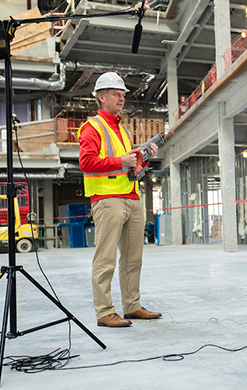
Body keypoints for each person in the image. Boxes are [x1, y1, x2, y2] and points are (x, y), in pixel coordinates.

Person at [78, 72, 161, 327]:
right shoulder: (92, 127)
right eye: (116, 94)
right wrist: (120, 161)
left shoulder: (122, 131)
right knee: (106, 259)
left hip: (132, 198)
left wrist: (143, 157)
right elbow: (86, 163)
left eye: (123, 94)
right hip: (107, 199)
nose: (121, 98)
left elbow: (129, 166)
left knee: (133, 258)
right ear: (102, 98)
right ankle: (104, 312)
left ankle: (132, 306)